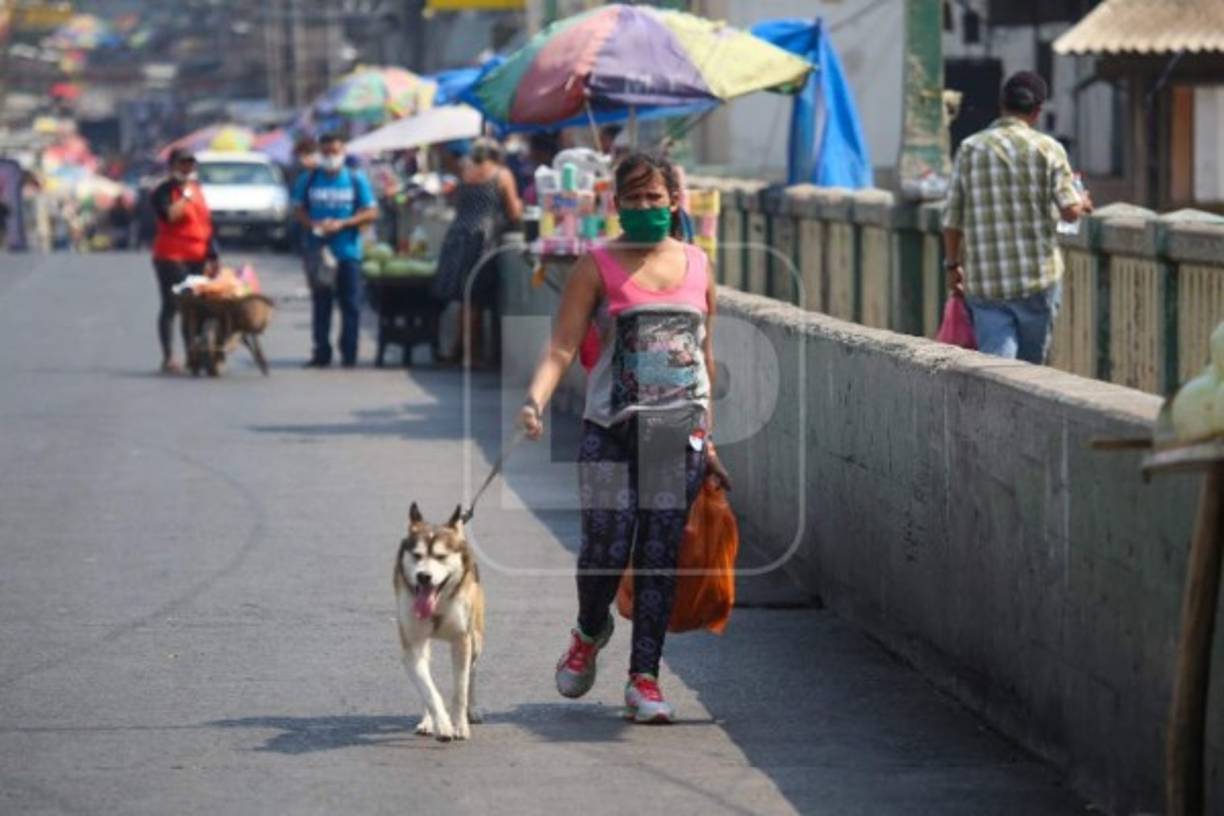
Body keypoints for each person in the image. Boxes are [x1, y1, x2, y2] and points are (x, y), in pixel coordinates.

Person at [518, 152, 732, 724]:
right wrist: (536, 398)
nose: (643, 208)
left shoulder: (698, 264)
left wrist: (708, 442)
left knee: (660, 554)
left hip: (674, 433)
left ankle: (645, 680)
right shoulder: (596, 266)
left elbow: (704, 360)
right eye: (632, 199)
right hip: (609, 430)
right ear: (615, 206)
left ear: (673, 203)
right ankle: (590, 628)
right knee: (605, 549)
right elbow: (563, 345)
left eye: (653, 198)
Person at [942, 71, 1093, 364]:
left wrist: (952, 265)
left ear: (1002, 105)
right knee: (1030, 370)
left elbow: (952, 218)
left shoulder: (970, 149)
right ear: (1037, 111)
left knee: (997, 368)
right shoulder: (1049, 149)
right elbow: (1070, 212)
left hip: (987, 285)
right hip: (1038, 281)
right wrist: (1083, 201)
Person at [431, 137, 523, 366]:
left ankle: (460, 350)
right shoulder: (501, 175)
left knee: (465, 296)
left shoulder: (465, 170)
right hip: (484, 238)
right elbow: (514, 213)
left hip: (458, 234)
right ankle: (471, 354)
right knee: (476, 299)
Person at [292, 132, 378, 368]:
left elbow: (371, 211)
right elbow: (298, 209)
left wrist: (344, 223)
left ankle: (349, 353)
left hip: (348, 251)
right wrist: (313, 225)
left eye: (335, 152)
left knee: (350, 305)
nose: (331, 156)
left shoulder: (355, 178)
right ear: (320, 153)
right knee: (322, 304)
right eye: (326, 152)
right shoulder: (308, 179)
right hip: (319, 251)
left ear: (343, 152)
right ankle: (321, 351)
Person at [150, 148, 218, 373]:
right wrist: (185, 196)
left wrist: (212, 254)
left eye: (190, 164)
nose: (187, 169)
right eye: (182, 164)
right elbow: (170, 216)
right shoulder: (163, 191)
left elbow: (206, 224)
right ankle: (169, 356)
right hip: (171, 255)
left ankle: (194, 352)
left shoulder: (198, 190)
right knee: (175, 304)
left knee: (197, 305)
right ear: (173, 167)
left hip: (197, 254)